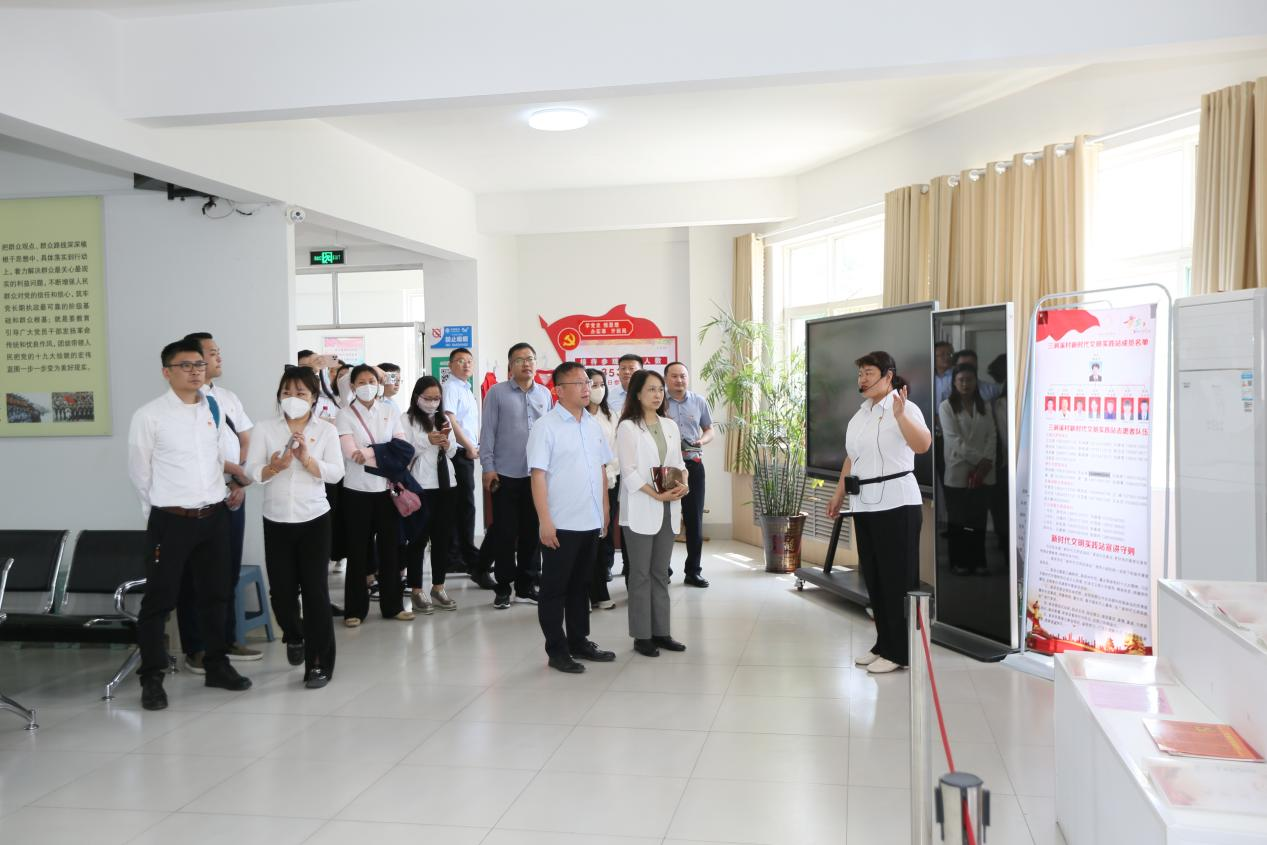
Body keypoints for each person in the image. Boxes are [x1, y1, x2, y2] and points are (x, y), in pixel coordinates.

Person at [127, 338, 252, 710]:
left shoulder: (213, 407)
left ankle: (216, 664)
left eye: (199, 364)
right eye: (186, 365)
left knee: (216, 594)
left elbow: (216, 458)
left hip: (213, 516)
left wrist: (228, 488)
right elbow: (140, 473)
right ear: (167, 372)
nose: (195, 371)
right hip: (171, 520)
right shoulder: (149, 416)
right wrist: (159, 514)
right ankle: (152, 678)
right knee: (160, 600)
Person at [826, 351, 931, 674]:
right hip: (864, 504)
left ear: (888, 376)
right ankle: (884, 644)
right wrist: (838, 494)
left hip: (898, 503)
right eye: (860, 374)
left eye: (869, 373)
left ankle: (900, 652)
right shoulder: (860, 415)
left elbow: (923, 445)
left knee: (896, 580)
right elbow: (851, 458)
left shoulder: (905, 407)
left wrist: (900, 417)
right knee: (875, 578)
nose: (862, 379)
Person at [245, 366, 343, 689]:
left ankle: (319, 664)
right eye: (287, 392)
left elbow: (336, 473)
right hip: (276, 521)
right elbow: (252, 471)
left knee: (315, 593)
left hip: (314, 519)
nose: (293, 398)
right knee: (282, 594)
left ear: (314, 398)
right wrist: (275, 467)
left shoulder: (326, 431)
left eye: (301, 393)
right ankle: (295, 633)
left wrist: (307, 460)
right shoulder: (264, 429)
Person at [526, 361, 616, 673]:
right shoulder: (546, 427)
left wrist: (605, 509)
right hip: (561, 523)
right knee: (554, 589)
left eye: (587, 382)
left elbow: (601, 469)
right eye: (578, 383)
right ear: (559, 390)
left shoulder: (592, 425)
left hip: (590, 519)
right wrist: (544, 520)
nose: (586, 388)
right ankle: (557, 649)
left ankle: (579, 641)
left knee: (581, 585)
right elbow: (538, 476)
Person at [178, 331, 261, 671]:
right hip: (198, 499)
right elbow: (195, 451)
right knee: (196, 574)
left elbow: (246, 438)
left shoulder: (227, 397)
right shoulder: (183, 402)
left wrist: (239, 480)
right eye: (211, 353)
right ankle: (196, 647)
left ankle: (225, 640)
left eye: (217, 352)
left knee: (226, 572)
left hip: (232, 494)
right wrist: (232, 471)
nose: (218, 357)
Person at [617, 370, 690, 657]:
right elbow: (628, 472)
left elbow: (679, 463)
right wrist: (656, 494)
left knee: (660, 573)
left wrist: (684, 482)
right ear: (637, 394)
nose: (658, 394)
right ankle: (642, 635)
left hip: (668, 507)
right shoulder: (628, 427)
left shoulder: (669, 425)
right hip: (640, 507)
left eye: (660, 389)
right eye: (651, 389)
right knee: (640, 574)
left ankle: (661, 632)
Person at [336, 364, 414, 625]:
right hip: (356, 490)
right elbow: (351, 454)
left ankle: (393, 606)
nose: (367, 385)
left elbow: (402, 447)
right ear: (353, 386)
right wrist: (383, 451)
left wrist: (369, 451)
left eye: (372, 380)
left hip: (386, 490)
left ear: (378, 384)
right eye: (361, 381)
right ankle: (355, 610)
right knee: (358, 550)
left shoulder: (389, 411)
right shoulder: (344, 414)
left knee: (390, 549)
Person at [480, 342, 552, 609]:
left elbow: (550, 434)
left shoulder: (545, 393)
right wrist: (488, 467)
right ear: (510, 366)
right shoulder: (497, 393)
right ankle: (502, 587)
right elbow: (488, 432)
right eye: (520, 359)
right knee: (505, 533)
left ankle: (526, 586)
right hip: (505, 473)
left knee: (532, 533)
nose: (526, 363)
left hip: (536, 475)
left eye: (530, 358)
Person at [400, 376, 460, 614]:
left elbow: (453, 451)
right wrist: (427, 440)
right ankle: (416, 589)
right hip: (420, 485)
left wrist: (446, 444)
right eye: (428, 398)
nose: (433, 402)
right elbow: (404, 450)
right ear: (417, 397)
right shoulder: (406, 420)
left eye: (437, 398)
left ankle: (438, 586)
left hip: (446, 484)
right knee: (418, 539)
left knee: (442, 538)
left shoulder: (443, 419)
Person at [938, 364, 996, 576]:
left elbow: (992, 435)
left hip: (984, 472)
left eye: (969, 380)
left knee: (978, 519)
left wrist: (987, 461)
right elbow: (953, 440)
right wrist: (981, 460)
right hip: (958, 470)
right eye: (961, 380)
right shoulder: (946, 406)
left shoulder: (984, 405)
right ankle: (959, 562)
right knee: (958, 520)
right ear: (954, 383)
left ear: (975, 382)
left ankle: (979, 562)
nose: (965, 384)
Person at [442, 348, 490, 586]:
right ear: (450, 365)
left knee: (461, 505)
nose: (466, 365)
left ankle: (456, 556)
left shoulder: (465, 388)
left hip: (467, 450)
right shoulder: (451, 387)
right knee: (465, 506)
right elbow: (450, 420)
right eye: (460, 361)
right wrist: (469, 446)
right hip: (458, 453)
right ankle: (467, 557)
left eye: (469, 361)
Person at [664, 361, 714, 587]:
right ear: (666, 379)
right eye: (674, 376)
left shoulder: (699, 401)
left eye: (683, 376)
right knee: (665, 520)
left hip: (693, 465)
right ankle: (663, 569)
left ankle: (693, 571)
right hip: (667, 468)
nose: (679, 380)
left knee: (694, 520)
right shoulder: (659, 401)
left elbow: (709, 429)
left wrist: (701, 440)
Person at [585, 367, 619, 609]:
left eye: (601, 384)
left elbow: (616, 449)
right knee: (587, 539)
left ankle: (600, 592)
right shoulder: (577, 416)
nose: (598, 389)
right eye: (593, 384)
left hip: (611, 481)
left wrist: (610, 472)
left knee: (604, 536)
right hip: (585, 484)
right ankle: (584, 593)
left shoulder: (611, 415)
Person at [986, 354, 1010, 551]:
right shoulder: (998, 402)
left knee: (1002, 508)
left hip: (1004, 463)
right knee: (1001, 508)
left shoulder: (1000, 402)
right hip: (1002, 463)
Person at [608, 353, 643, 418]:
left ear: (641, 371)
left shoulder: (648, 394)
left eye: (631, 368)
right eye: (623, 368)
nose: (626, 372)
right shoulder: (609, 396)